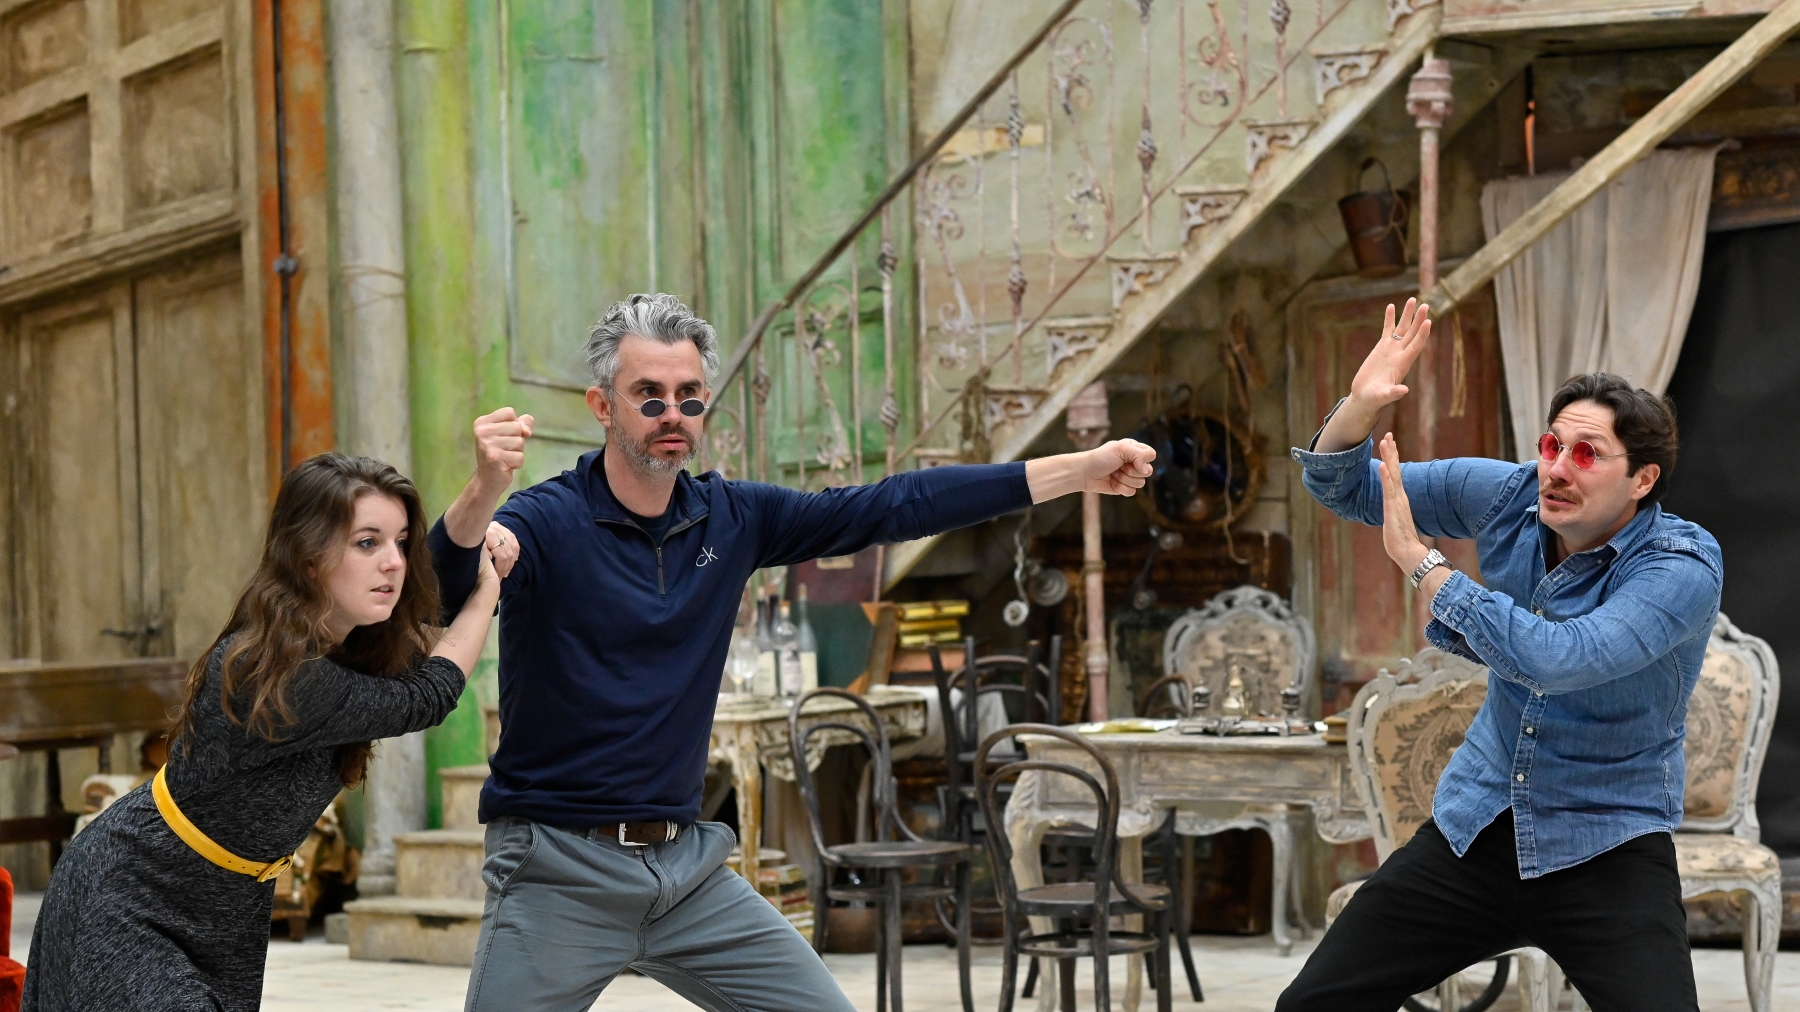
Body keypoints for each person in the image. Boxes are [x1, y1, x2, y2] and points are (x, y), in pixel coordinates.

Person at [433, 292, 1156, 1012]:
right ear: (603, 405)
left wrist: (1079, 470)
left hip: (686, 871)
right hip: (560, 869)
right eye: (648, 397)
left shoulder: (735, 516)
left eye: (689, 397)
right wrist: (481, 498)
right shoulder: (544, 519)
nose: (672, 416)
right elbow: (439, 592)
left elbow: (896, 505)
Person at [1276, 300, 1720, 1012]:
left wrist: (1427, 569)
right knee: (1311, 1005)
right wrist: (1358, 409)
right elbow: (1346, 486)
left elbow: (1561, 658)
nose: (1556, 470)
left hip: (1606, 843)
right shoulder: (1510, 496)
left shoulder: (1681, 566)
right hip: (1478, 828)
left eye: (1586, 455)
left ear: (1642, 480)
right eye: (1551, 447)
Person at [23, 454, 500, 1012]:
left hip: (227, 902)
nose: (393, 563)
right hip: (132, 895)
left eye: (399, 543)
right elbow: (428, 695)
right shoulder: (274, 670)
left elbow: (431, 595)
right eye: (366, 542)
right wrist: (489, 588)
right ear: (308, 556)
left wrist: (488, 485)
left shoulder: (351, 646)